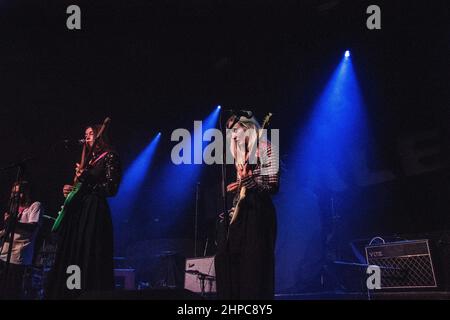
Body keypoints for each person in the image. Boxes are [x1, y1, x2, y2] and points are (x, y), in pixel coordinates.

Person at [46, 124, 121, 299]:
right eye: (85, 134)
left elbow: (111, 188)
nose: (86, 137)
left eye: (91, 133)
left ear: (100, 136)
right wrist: (71, 189)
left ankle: (87, 293)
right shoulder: (89, 161)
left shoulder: (110, 156)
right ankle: (71, 292)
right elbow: (84, 186)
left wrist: (86, 179)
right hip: (79, 211)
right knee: (74, 253)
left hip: (94, 211)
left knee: (88, 253)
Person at [215, 112, 279, 300]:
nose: (233, 136)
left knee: (254, 269)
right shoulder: (241, 155)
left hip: (260, 215)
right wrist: (235, 203)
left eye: (236, 130)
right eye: (230, 133)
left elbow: (272, 186)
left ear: (249, 128)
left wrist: (248, 180)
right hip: (242, 216)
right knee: (229, 262)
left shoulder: (267, 148)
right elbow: (243, 192)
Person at [0, 181, 42, 299]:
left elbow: (32, 227)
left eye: (20, 193)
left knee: (12, 292)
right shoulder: (13, 207)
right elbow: (8, 230)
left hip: (18, 256)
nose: (16, 196)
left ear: (27, 193)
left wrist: (13, 223)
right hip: (4, 253)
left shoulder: (35, 206)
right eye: (14, 193)